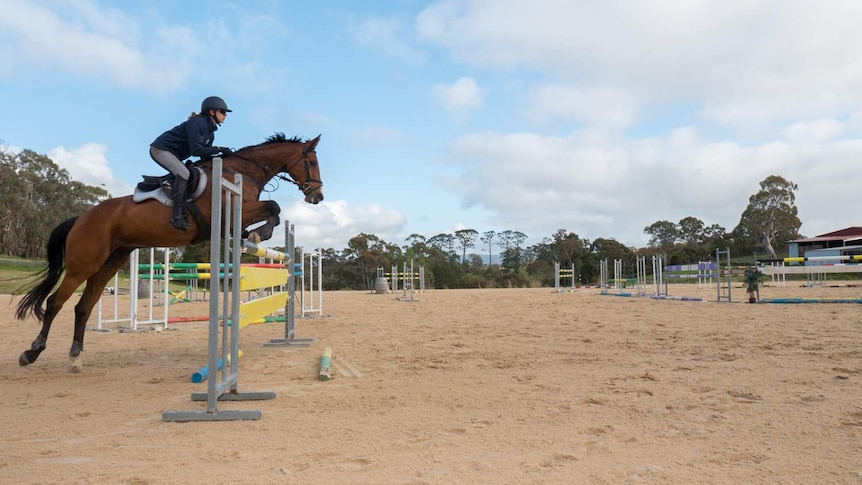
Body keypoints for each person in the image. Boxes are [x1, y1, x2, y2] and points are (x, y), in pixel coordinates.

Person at [150, 96, 233, 231]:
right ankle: (177, 217)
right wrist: (218, 149)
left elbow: (204, 154)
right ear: (212, 111)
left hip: (174, 154)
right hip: (161, 149)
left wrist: (221, 155)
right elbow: (196, 150)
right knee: (183, 173)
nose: (225, 115)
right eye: (222, 112)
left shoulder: (210, 133)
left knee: (191, 172)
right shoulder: (198, 123)